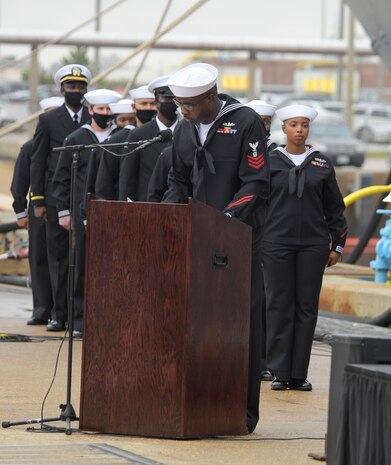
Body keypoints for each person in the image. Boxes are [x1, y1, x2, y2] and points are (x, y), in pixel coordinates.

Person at [162, 63, 269, 433]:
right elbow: (177, 177)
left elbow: (255, 181)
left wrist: (222, 221)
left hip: (236, 238)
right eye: (180, 105)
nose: (185, 111)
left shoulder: (245, 121)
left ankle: (242, 411)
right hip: (194, 239)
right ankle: (198, 403)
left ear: (210, 97)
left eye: (190, 104)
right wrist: (172, 216)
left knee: (241, 324)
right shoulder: (183, 128)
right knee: (195, 322)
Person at [264, 104, 347, 391]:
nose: (300, 130)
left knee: (306, 308)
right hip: (276, 244)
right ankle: (279, 372)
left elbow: (335, 207)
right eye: (294, 125)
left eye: (304, 125)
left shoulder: (321, 163)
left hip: (312, 246)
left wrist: (337, 244)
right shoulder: (270, 161)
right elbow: (258, 202)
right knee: (278, 305)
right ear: (283, 128)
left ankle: (298, 374)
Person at [53, 88, 121, 337]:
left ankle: (107, 319)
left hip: (112, 212)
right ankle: (79, 320)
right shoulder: (76, 138)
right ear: (90, 110)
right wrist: (63, 211)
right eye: (99, 109)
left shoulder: (121, 137)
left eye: (108, 110)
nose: (104, 114)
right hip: (83, 213)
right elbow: (61, 178)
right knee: (81, 266)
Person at [30, 64, 92, 332]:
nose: (75, 91)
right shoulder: (48, 121)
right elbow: (38, 160)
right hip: (57, 199)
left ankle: (80, 314)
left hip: (84, 197)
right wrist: (38, 200)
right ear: (62, 89)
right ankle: (58, 313)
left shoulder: (95, 117)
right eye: (70, 87)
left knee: (81, 261)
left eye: (80, 87)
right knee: (57, 259)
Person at [11, 96, 64, 326]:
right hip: (40, 208)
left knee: (60, 261)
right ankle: (42, 308)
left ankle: (60, 310)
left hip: (61, 205)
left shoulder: (67, 144)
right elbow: (20, 182)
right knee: (40, 258)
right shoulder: (31, 147)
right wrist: (20, 211)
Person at [246, 98, 278, 382]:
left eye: (266, 123)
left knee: (265, 299)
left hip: (270, 232)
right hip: (243, 228)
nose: (262, 127)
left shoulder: (276, 155)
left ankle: (264, 360)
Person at [118, 76, 178, 201]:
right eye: (166, 99)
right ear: (156, 102)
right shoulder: (138, 134)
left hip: (180, 208)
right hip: (146, 208)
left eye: (174, 99)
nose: (170, 103)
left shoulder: (188, 131)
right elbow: (127, 179)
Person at [94, 85, 158, 200]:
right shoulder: (117, 140)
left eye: (152, 104)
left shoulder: (163, 135)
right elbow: (105, 181)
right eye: (143, 104)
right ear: (134, 107)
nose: (148, 108)